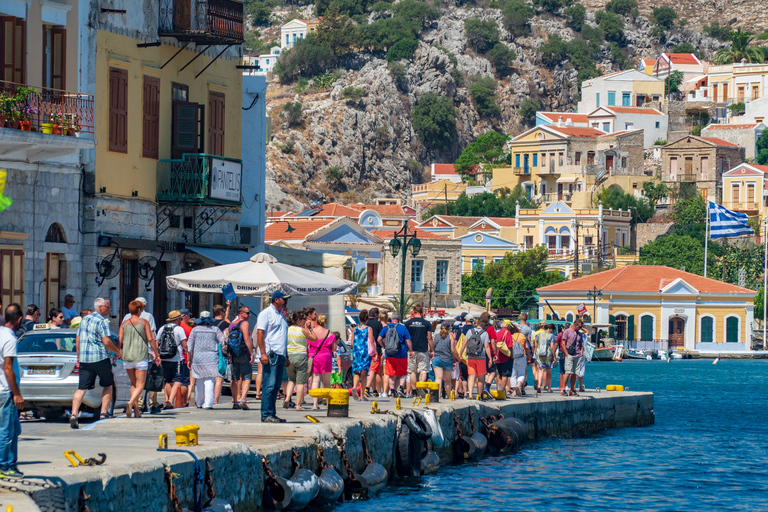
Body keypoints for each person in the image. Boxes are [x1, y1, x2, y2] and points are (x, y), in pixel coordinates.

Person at [70, 299, 122, 429]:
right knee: (108, 384)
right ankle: (104, 413)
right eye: (108, 307)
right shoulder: (102, 321)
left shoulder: (84, 320)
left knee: (82, 387)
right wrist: (117, 352)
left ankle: (74, 414)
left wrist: (78, 356)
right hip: (100, 358)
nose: (109, 310)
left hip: (85, 359)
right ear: (100, 307)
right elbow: (107, 341)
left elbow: (78, 339)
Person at [118, 300, 160, 417]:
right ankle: (130, 403)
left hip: (127, 357)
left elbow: (119, 340)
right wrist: (156, 353)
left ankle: (136, 411)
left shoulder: (124, 323)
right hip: (140, 356)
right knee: (141, 384)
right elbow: (151, 339)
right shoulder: (144, 322)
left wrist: (117, 353)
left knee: (133, 384)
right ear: (139, 310)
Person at [255, 290, 290, 423]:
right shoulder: (266, 313)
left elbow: (282, 337)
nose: (286, 301)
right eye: (284, 299)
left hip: (280, 353)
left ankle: (272, 413)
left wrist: (286, 355)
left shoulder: (281, 315)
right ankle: (266, 414)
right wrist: (263, 353)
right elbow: (260, 333)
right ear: (276, 300)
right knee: (269, 385)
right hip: (271, 354)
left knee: (276, 386)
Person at [0, 304, 24, 478]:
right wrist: (16, 394)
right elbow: (8, 368)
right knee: (7, 431)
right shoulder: (10, 339)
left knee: (14, 429)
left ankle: (10, 464)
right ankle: (5, 466)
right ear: (19, 319)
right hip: (6, 391)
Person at [187, 311, 226, 409]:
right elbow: (223, 340)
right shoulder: (215, 329)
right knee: (209, 380)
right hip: (212, 357)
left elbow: (189, 346)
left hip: (197, 358)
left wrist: (189, 359)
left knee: (199, 380)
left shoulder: (195, 330)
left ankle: (199, 402)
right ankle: (208, 403)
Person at [156, 311, 188, 410]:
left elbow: (157, 343)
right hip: (176, 359)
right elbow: (184, 345)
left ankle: (167, 400)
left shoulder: (162, 328)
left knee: (168, 380)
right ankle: (170, 401)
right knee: (178, 381)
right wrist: (189, 356)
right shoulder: (179, 329)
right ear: (178, 319)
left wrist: (157, 356)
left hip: (164, 358)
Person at [377, 312, 410, 398]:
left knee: (391, 374)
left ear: (391, 319)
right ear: (399, 319)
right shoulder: (403, 328)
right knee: (402, 373)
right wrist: (411, 350)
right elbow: (408, 341)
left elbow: (379, 339)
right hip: (401, 354)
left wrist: (385, 347)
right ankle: (401, 388)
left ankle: (392, 390)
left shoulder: (386, 328)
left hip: (389, 354)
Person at [306, 313, 335, 409]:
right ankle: (327, 404)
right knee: (326, 382)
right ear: (325, 322)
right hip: (326, 357)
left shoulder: (312, 332)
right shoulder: (329, 332)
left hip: (314, 357)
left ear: (317, 321)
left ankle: (315, 404)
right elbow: (333, 348)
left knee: (315, 380)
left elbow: (308, 345)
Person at [228, 306, 255, 410]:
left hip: (234, 354)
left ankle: (235, 401)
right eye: (247, 313)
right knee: (246, 377)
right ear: (241, 313)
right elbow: (247, 339)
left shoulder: (232, 324)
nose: (249, 315)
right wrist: (251, 353)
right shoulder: (245, 323)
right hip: (244, 354)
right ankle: (243, 400)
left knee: (234, 378)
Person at [404, 304, 433, 396]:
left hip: (411, 350)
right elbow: (429, 337)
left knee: (412, 371)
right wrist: (432, 350)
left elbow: (406, 338)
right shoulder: (427, 323)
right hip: (423, 349)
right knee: (423, 370)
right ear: (422, 312)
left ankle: (413, 390)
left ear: (414, 312)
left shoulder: (408, 323)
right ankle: (420, 387)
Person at [284, 310, 308, 410]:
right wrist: (309, 329)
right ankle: (298, 405)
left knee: (291, 380)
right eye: (304, 319)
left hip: (290, 355)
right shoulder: (302, 330)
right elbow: (315, 338)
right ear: (298, 320)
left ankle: (287, 398)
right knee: (301, 382)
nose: (305, 321)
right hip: (301, 356)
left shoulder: (287, 329)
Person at [465, 317, 492, 401]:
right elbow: (487, 347)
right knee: (481, 377)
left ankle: (470, 393)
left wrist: (460, 353)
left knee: (471, 375)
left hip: (470, 356)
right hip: (481, 357)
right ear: (483, 324)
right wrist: (490, 358)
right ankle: (479, 395)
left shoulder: (470, 331)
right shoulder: (485, 333)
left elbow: (464, 343)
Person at [351, 310, 374, 400]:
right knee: (364, 374)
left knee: (357, 372)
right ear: (367, 319)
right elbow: (371, 341)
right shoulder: (369, 329)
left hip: (356, 352)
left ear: (359, 319)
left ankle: (354, 386)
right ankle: (362, 396)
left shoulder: (355, 329)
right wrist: (375, 352)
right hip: (365, 352)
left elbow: (352, 342)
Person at [211, 304, 230, 405]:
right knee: (219, 377)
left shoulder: (209, 323)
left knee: (209, 377)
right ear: (221, 313)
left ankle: (208, 398)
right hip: (220, 352)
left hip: (209, 351)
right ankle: (215, 400)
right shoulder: (225, 324)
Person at [431, 321, 454, 399]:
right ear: (449, 329)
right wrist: (457, 358)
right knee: (447, 380)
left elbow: (432, 347)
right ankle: (449, 396)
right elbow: (453, 350)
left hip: (437, 359)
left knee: (438, 378)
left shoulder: (436, 336)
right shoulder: (450, 337)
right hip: (447, 360)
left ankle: (438, 396)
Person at [561, 319, 583, 397]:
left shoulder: (580, 334)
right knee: (567, 372)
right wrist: (566, 353)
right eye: (579, 326)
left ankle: (572, 389)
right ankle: (563, 389)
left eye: (581, 326)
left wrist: (581, 353)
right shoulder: (567, 331)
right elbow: (563, 343)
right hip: (569, 354)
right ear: (575, 324)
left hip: (577, 355)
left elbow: (581, 345)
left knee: (574, 373)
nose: (580, 328)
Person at [364, 307, 383, 397]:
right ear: (376, 315)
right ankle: (367, 388)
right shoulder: (378, 324)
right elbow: (380, 338)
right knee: (373, 370)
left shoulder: (366, 323)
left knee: (371, 371)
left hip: (365, 350)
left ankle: (374, 390)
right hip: (375, 350)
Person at [534, 322, 557, 393]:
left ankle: (539, 386)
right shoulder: (552, 336)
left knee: (541, 370)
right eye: (552, 330)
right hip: (548, 356)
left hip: (540, 354)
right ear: (550, 329)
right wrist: (554, 357)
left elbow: (536, 346)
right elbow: (552, 347)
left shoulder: (538, 335)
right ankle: (549, 388)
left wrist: (535, 354)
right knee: (549, 372)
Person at [495, 321, 515, 395]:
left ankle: (499, 390)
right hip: (506, 357)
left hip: (498, 356)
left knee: (500, 375)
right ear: (507, 326)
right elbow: (510, 345)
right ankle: (503, 391)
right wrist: (511, 355)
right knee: (505, 375)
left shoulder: (497, 333)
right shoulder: (507, 333)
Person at [509, 323, 528, 396]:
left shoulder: (510, 336)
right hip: (522, 356)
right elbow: (526, 347)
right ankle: (519, 385)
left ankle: (514, 391)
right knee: (521, 373)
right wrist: (529, 356)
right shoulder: (522, 336)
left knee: (513, 375)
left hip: (512, 356)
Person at [531, 321, 549, 391]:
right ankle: (542, 385)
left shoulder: (536, 333)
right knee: (543, 370)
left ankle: (536, 379)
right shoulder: (547, 334)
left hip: (537, 353)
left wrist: (533, 352)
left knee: (535, 368)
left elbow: (534, 344)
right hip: (545, 353)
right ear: (544, 326)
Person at [556, 323, 569, 391]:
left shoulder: (561, 334)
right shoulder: (570, 334)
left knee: (562, 370)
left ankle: (562, 385)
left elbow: (556, 343)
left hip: (562, 352)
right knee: (568, 369)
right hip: (569, 353)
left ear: (564, 328)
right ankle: (565, 385)